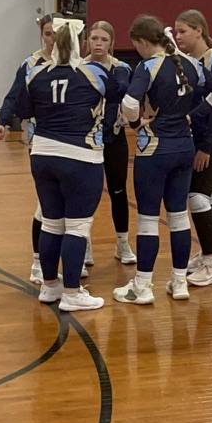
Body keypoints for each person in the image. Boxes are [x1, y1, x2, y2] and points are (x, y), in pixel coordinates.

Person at [113, 15, 212, 305]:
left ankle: (142, 286)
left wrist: (136, 123)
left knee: (148, 219)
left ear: (143, 42)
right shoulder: (191, 64)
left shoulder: (147, 67)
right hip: (184, 148)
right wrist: (192, 115)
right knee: (178, 216)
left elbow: (129, 103)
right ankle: (179, 282)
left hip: (154, 150)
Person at [12, 17, 118, 312]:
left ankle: (50, 286)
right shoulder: (94, 72)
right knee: (77, 226)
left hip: (42, 154)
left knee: (51, 221)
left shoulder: (35, 73)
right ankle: (72, 292)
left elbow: (23, 109)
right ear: (79, 43)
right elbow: (119, 96)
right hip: (81, 156)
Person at [0, 13, 59, 284]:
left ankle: (75, 256)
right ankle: (38, 262)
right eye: (48, 34)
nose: (53, 39)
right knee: (46, 204)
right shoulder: (31, 64)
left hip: (72, 143)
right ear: (42, 35)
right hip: (41, 142)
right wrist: (1, 122)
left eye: (57, 34)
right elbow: (14, 95)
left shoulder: (77, 64)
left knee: (69, 206)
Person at [174, 10, 212, 288]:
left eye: (182, 31)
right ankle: (207, 254)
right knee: (206, 195)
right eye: (176, 32)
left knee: (197, 196)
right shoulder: (191, 62)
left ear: (199, 31)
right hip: (199, 139)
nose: (178, 37)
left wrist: (206, 147)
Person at [84, 21, 136, 265]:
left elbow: (131, 96)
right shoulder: (79, 68)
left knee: (118, 190)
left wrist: (128, 114)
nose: (98, 43)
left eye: (104, 39)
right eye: (94, 38)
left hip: (114, 138)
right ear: (87, 41)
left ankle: (122, 242)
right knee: (86, 193)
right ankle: (84, 244)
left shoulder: (121, 69)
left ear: (111, 43)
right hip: (87, 140)